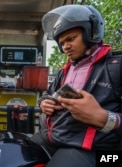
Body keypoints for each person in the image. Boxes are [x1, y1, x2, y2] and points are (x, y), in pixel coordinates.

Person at [30, 4, 122, 167]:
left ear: (91, 32)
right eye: (62, 42)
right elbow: (49, 94)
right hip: (51, 138)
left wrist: (103, 118)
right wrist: (45, 103)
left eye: (71, 39)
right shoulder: (64, 71)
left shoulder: (116, 66)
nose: (65, 46)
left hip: (92, 150)